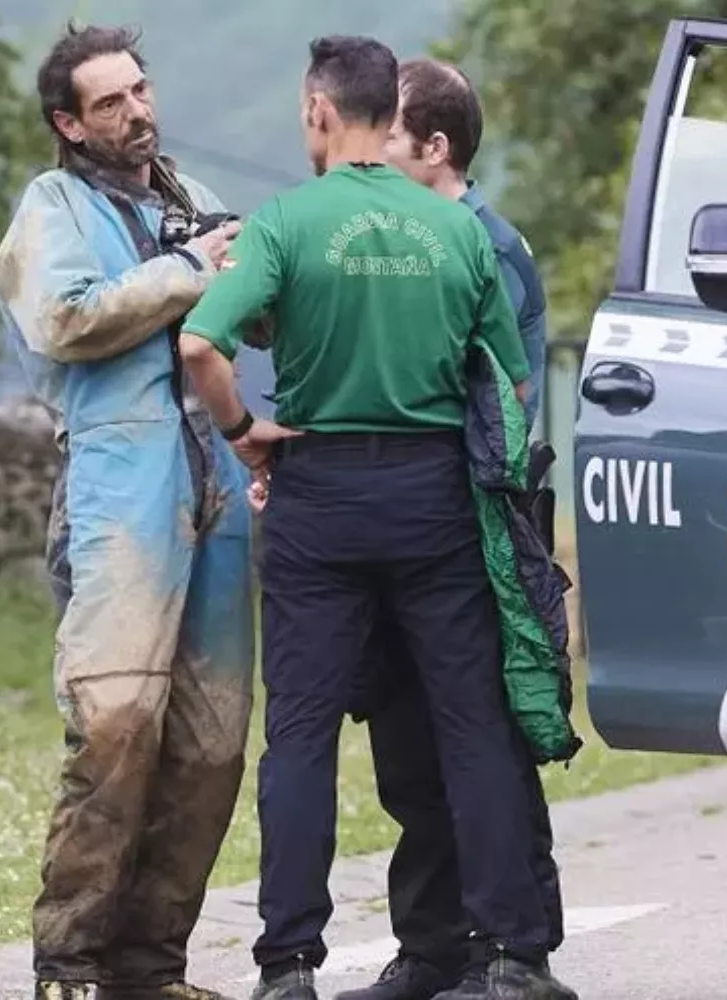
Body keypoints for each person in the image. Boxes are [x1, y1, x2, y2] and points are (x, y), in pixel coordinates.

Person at [176, 35, 570, 1000]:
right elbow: (509, 382)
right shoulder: (459, 231)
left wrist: (244, 433)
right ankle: (515, 956)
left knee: (302, 733)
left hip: (318, 496)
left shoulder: (283, 225)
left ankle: (287, 967)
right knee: (472, 725)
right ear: (385, 117)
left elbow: (199, 346)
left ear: (319, 111)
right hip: (436, 498)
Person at [0, 22, 255, 1000]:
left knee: (212, 740)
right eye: (111, 102)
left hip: (215, 483)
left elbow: (258, 303)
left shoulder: (198, 200)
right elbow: (64, 318)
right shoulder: (49, 205)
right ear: (70, 121)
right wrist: (194, 272)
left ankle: (151, 969)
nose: (137, 111)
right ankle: (70, 962)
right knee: (116, 723)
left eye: (140, 91)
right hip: (116, 478)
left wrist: (264, 269)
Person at [337, 57, 572, 1000]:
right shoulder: (382, 239)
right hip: (390, 524)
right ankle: (433, 946)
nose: (369, 150)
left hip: (472, 525)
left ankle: (518, 952)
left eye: (386, 134)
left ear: (435, 148)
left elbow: (500, 397)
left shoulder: (489, 246)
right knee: (405, 744)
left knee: (487, 741)